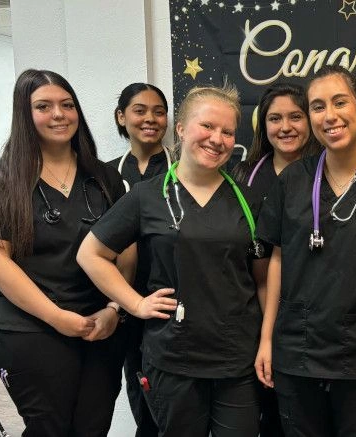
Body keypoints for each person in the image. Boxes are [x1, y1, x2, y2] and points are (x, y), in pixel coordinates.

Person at [77, 82, 268, 437]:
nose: (217, 138)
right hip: (173, 358)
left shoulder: (248, 199)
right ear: (180, 129)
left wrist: (267, 342)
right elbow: (91, 254)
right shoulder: (147, 197)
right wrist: (133, 303)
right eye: (207, 126)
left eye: (227, 131)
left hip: (236, 359)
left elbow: (263, 280)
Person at [255, 64, 356, 437]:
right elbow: (277, 260)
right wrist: (266, 340)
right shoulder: (293, 180)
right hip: (296, 350)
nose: (329, 116)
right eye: (317, 106)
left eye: (339, 102)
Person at [0, 69, 127, 436]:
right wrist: (57, 317)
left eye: (67, 105)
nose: (59, 114)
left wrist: (113, 310)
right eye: (44, 106)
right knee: (49, 429)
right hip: (30, 328)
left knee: (92, 428)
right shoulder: (4, 178)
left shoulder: (105, 179)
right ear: (25, 115)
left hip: (99, 328)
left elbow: (126, 253)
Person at [232, 82, 317, 437]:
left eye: (296, 117)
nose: (285, 127)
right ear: (262, 126)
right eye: (275, 118)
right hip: (255, 319)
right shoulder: (241, 177)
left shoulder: (329, 173)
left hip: (313, 320)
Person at [108, 82, 171, 437]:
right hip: (126, 303)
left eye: (158, 111)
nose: (150, 119)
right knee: (139, 389)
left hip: (172, 297)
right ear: (122, 117)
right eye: (139, 110)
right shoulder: (104, 176)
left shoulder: (184, 170)